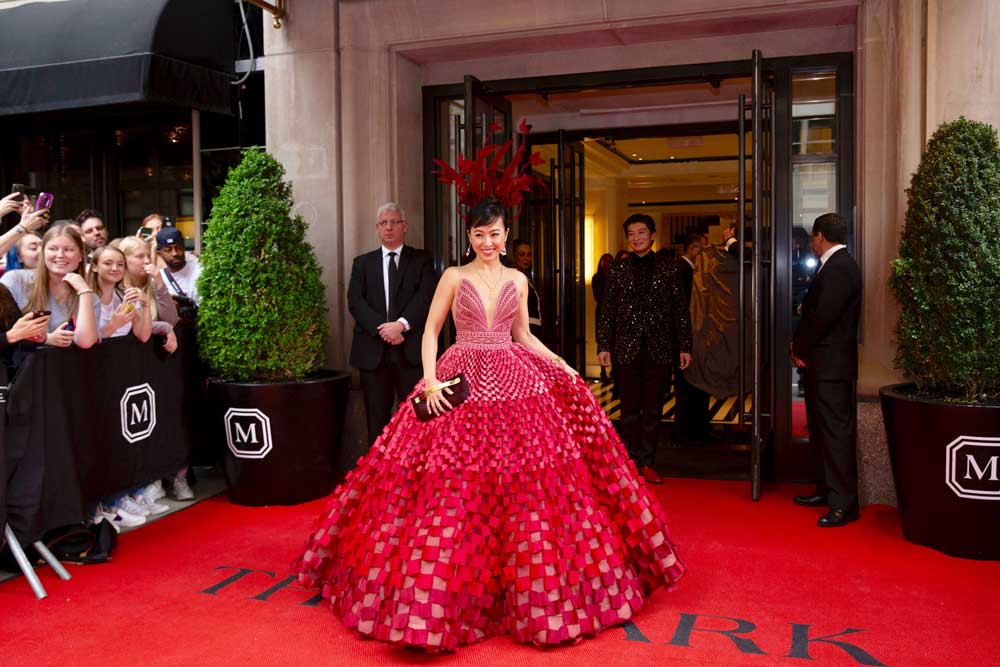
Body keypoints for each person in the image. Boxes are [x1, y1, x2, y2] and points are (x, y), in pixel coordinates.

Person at [294, 196, 684, 652]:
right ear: (470, 237)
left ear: (504, 233)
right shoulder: (454, 277)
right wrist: (433, 380)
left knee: (530, 475)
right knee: (451, 480)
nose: (487, 241)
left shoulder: (518, 279)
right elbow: (431, 331)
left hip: (513, 375)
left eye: (494, 233)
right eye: (479, 234)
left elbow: (522, 334)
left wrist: (561, 362)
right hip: (461, 376)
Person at [597, 214, 692, 485]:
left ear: (651, 235)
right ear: (627, 238)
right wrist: (604, 345)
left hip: (659, 349)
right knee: (628, 409)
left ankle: (647, 462)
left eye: (641, 232)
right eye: (631, 233)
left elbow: (680, 311)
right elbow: (607, 311)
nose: (636, 238)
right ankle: (628, 462)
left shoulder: (669, 268)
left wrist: (684, 346)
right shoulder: (616, 270)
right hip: (625, 349)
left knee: (653, 409)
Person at [791, 213, 862, 528]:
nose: (812, 243)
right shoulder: (835, 266)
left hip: (831, 366)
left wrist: (799, 348)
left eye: (812, 238)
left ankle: (843, 505)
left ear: (819, 236)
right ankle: (825, 490)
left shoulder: (840, 267)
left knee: (834, 435)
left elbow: (824, 318)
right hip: (824, 365)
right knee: (821, 432)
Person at [347, 202, 437, 446]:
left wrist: (401, 325)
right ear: (377, 228)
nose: (388, 227)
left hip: (410, 355)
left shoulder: (421, 261)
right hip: (373, 355)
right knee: (376, 421)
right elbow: (355, 302)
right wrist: (385, 329)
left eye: (394, 222)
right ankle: (377, 473)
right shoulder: (362, 264)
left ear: (404, 226)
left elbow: (426, 297)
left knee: (416, 419)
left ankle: (414, 470)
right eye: (383, 223)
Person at [0, 225, 99, 349]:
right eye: (52, 249)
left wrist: (84, 292)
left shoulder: (89, 296)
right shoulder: (15, 280)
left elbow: (85, 342)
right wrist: (47, 339)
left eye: (68, 249)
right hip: (22, 364)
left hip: (67, 365)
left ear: (80, 256)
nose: (60, 255)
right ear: (43, 253)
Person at [118, 236, 179, 353]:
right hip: (126, 355)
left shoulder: (154, 284)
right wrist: (163, 327)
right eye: (140, 256)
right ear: (123, 260)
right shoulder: (117, 288)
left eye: (148, 256)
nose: (147, 261)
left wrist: (160, 283)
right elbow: (130, 326)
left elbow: (171, 321)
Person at [156, 227, 200, 315]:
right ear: (159, 254)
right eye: (168, 250)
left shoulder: (199, 271)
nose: (175, 253)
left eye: (178, 248)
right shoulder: (158, 279)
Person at [510, 238, 542, 338]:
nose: (526, 258)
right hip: (523, 334)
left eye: (529, 254)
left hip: (532, 332)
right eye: (521, 254)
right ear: (514, 256)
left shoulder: (525, 279)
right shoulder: (513, 279)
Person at [592, 252, 614, 382]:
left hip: (614, 313)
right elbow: (598, 297)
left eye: (610, 261)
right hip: (601, 313)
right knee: (601, 342)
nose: (607, 263)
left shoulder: (615, 277)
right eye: (605, 261)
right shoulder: (597, 278)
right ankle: (603, 371)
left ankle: (613, 370)